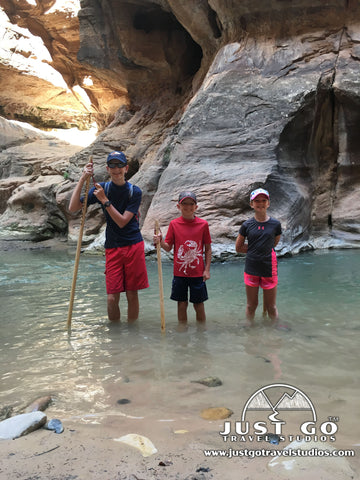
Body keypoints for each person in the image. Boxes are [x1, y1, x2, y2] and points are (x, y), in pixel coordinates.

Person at [69, 151, 149, 323]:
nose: (116, 169)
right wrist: (83, 178)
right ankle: (115, 338)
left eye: (120, 165)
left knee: (131, 293)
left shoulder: (134, 192)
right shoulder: (102, 189)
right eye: (112, 165)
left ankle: (132, 334)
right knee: (112, 297)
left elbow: (122, 222)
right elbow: (73, 206)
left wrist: (105, 201)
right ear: (107, 168)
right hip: (112, 246)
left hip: (133, 245)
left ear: (126, 168)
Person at [153, 191, 211, 325]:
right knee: (181, 304)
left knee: (199, 304)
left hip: (198, 273)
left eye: (191, 204)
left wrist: (207, 270)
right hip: (179, 273)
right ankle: (182, 333)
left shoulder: (203, 224)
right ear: (179, 206)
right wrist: (159, 241)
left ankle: (201, 333)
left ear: (196, 207)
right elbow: (168, 247)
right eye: (184, 203)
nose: (188, 207)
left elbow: (207, 249)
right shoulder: (174, 224)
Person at [235, 188, 282, 325]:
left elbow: (273, 244)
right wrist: (255, 250)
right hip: (252, 266)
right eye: (257, 201)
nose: (260, 203)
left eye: (263, 200)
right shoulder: (247, 225)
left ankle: (274, 333)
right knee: (251, 306)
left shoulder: (275, 224)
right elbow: (238, 247)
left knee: (271, 307)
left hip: (269, 266)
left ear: (268, 203)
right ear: (251, 204)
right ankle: (250, 334)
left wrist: (261, 250)